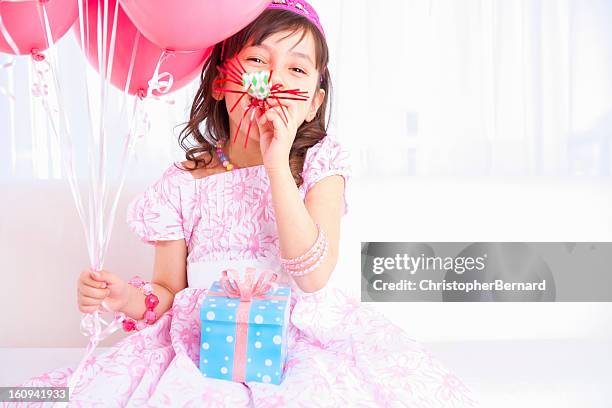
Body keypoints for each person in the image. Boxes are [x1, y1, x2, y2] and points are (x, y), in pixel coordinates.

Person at [8, 1, 480, 406]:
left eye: (296, 68)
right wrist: (125, 299)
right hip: (203, 342)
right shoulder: (182, 184)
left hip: (298, 338)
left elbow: (312, 275)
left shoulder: (318, 166)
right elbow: (167, 295)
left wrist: (277, 163)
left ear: (313, 102)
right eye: (258, 60)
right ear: (219, 83)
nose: (274, 79)